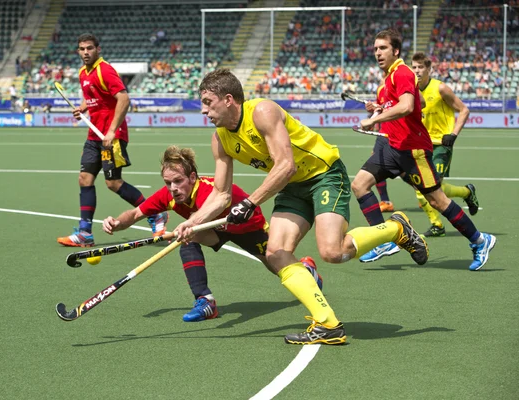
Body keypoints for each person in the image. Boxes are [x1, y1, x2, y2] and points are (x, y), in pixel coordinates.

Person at [174, 68, 428, 345]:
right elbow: (221, 194)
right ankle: (328, 324)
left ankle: (395, 229)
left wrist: (249, 203)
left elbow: (285, 165)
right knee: (276, 253)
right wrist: (193, 221)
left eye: (207, 102)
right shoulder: (220, 138)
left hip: (324, 175)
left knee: (332, 251)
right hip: (292, 187)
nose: (203, 110)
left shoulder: (262, 112)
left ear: (228, 99)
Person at [102, 145, 323, 322]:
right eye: (168, 183)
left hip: (247, 226)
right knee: (187, 239)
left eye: (178, 181)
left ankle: (307, 269)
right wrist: (117, 223)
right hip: (213, 229)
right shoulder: (168, 195)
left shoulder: (208, 189)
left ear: (192, 177)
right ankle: (205, 301)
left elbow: (208, 210)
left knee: (277, 266)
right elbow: (136, 213)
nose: (173, 188)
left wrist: (190, 223)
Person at [350, 29, 495, 271]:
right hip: (391, 147)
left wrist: (374, 118)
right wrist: (377, 109)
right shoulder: (386, 81)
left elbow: (407, 106)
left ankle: (480, 240)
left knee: (438, 201)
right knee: (359, 185)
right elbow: (420, 102)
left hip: (413, 150)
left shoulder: (403, 72)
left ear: (395, 51)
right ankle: (384, 239)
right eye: (375, 48)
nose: (377, 53)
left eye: (382, 48)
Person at [57, 33, 167, 248]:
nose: (86, 52)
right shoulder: (83, 73)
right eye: (82, 49)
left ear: (98, 49)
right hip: (93, 136)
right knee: (84, 179)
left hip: (111, 137)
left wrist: (112, 131)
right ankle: (84, 233)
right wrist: (83, 107)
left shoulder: (105, 70)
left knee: (113, 183)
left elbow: (124, 99)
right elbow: (92, 96)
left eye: (90, 48)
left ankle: (155, 215)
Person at [411, 52, 479, 237]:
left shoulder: (441, 88)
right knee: (420, 187)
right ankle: (437, 224)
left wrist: (453, 134)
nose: (417, 71)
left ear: (429, 69)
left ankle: (466, 193)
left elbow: (464, 110)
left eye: (420, 67)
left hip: (441, 144)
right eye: (414, 67)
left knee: (433, 187)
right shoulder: (411, 90)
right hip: (421, 145)